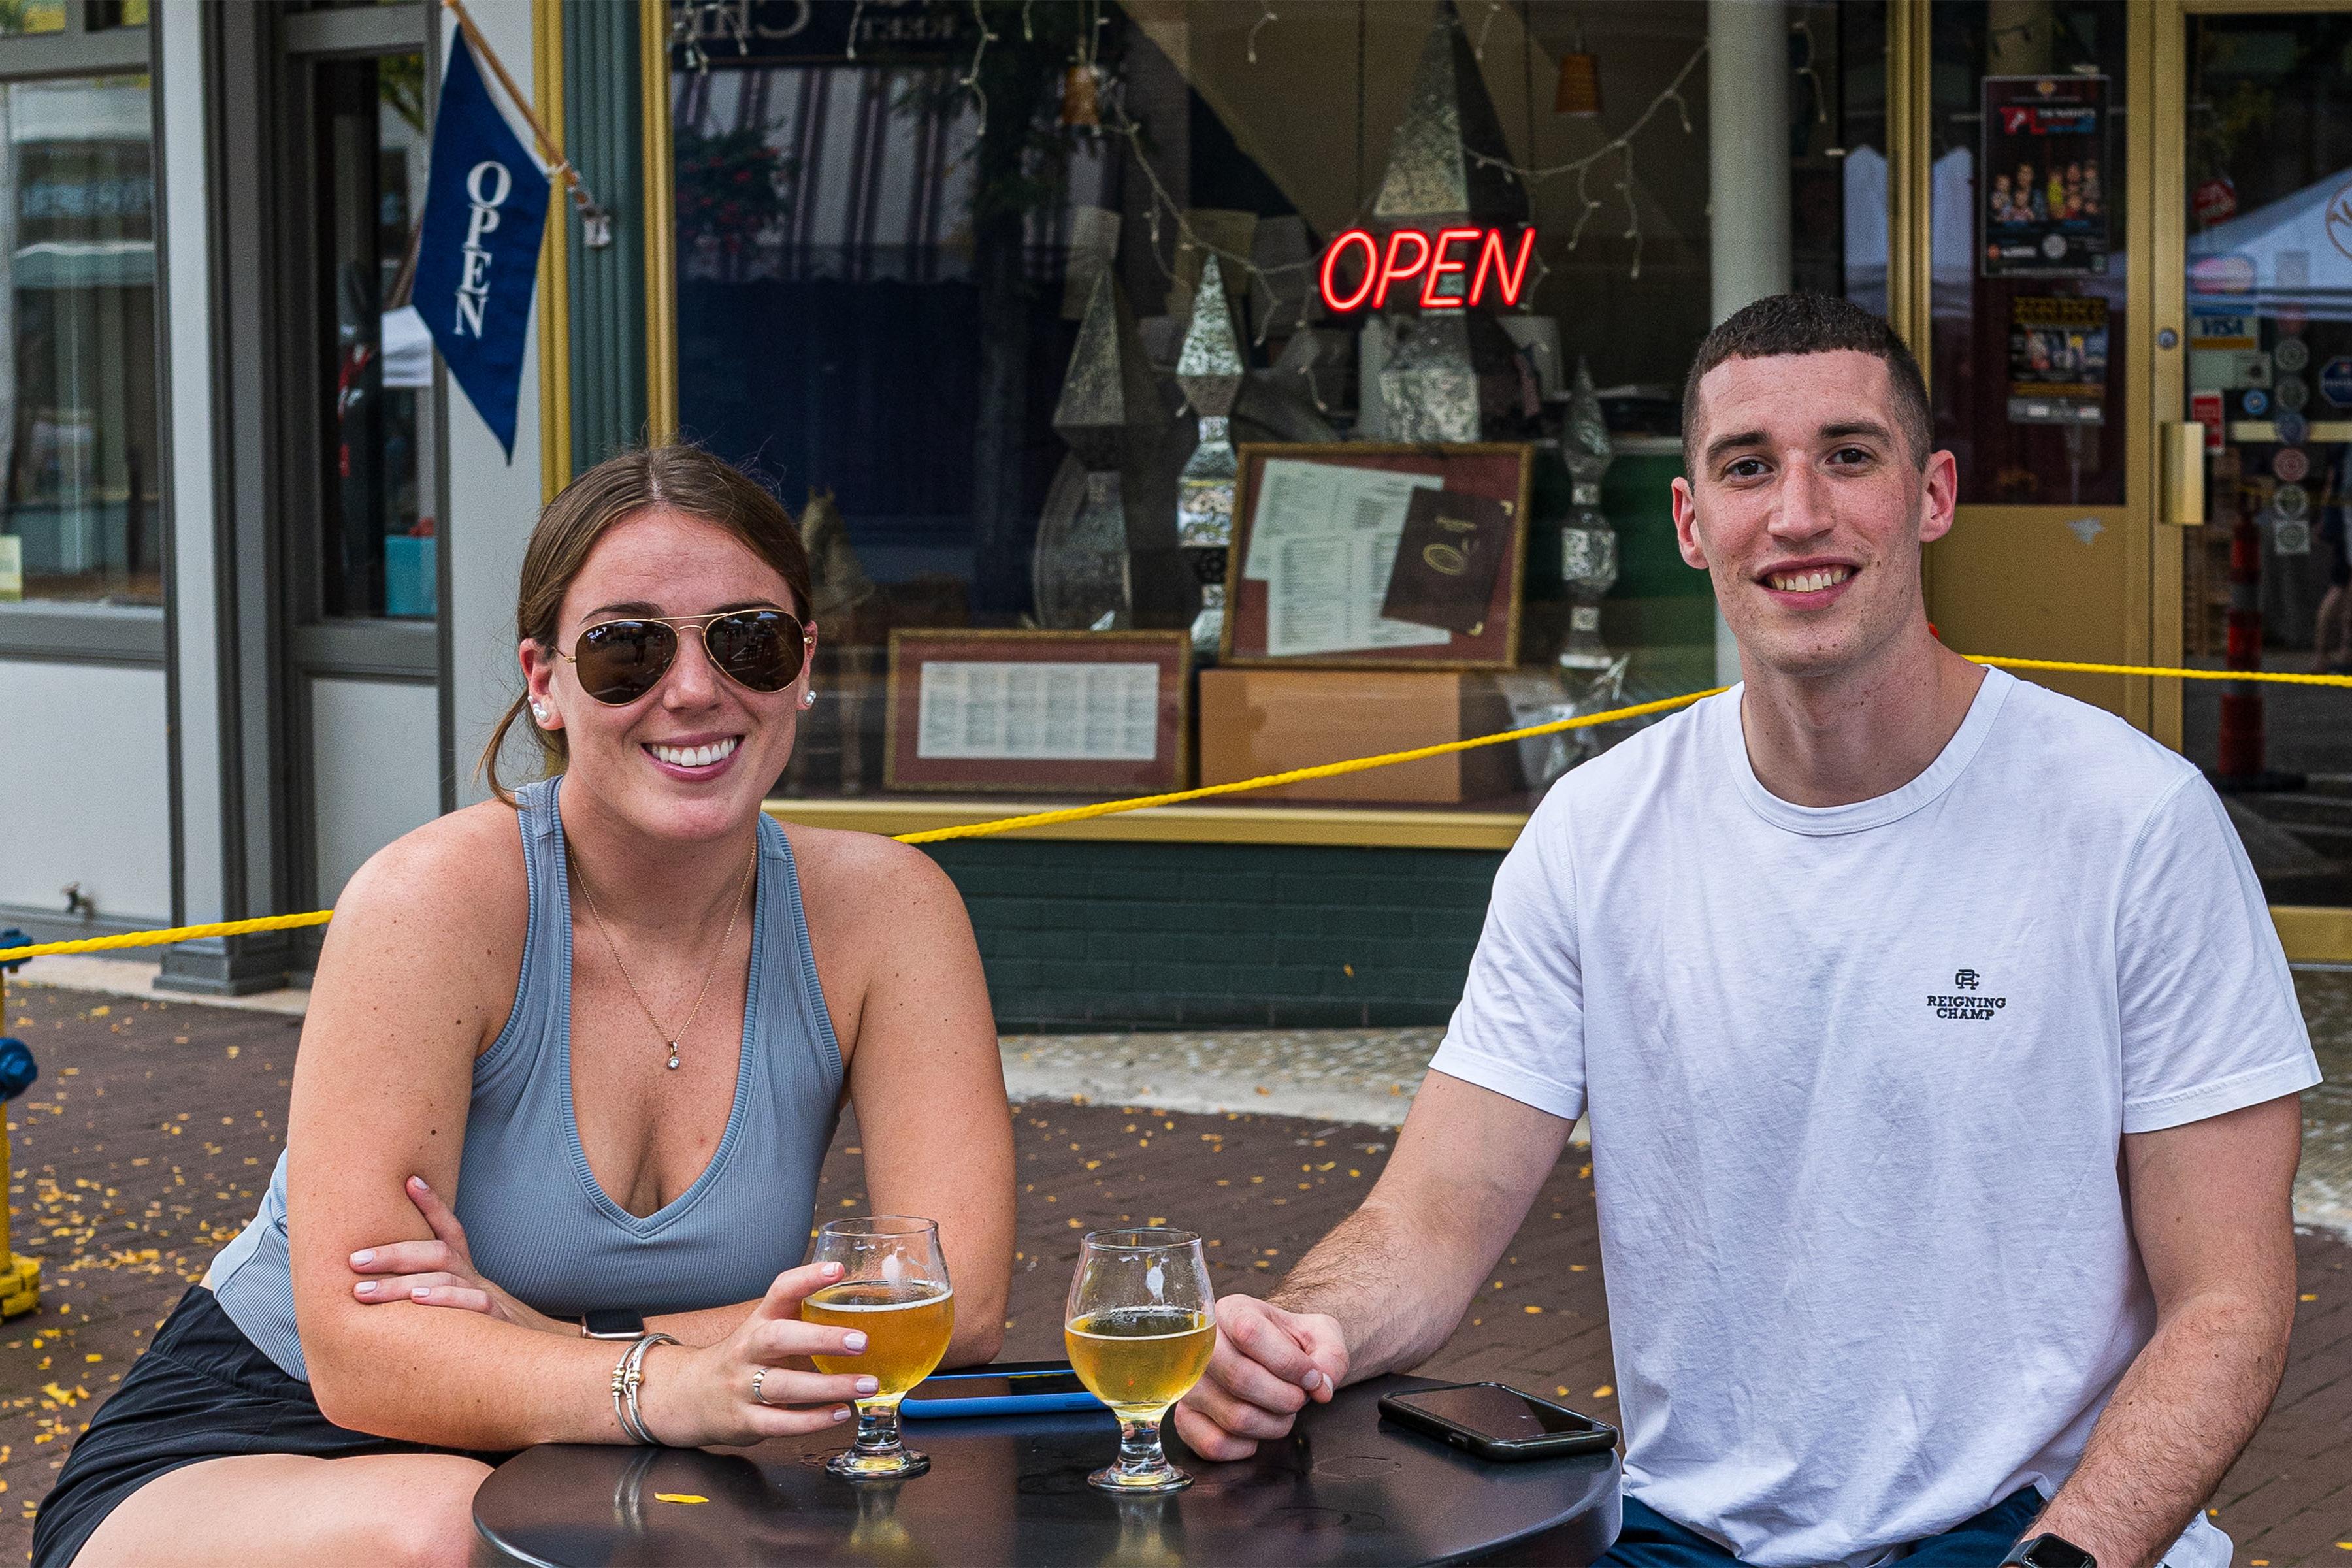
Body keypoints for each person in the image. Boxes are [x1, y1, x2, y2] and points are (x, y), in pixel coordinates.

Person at [1175, 295, 2318, 1568]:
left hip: (2021, 1535)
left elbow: (2230, 1304)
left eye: (1848, 455)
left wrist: (2057, 1564)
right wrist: (1300, 1334)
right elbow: (1437, 1216)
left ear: (1933, 494)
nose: (1797, 514)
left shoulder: (2134, 826)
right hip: (1690, 1538)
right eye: (1746, 468)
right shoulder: (1596, 833)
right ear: (1691, 522)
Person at [35, 446, 1017, 1568]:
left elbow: (952, 1303)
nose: (693, 689)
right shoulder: (432, 902)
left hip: (600, 1449)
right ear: (543, 682)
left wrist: (551, 1346)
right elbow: (362, 1355)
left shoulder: (890, 911)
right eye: (625, 649)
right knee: (453, 1534)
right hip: (268, 1434)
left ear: (802, 665)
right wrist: (668, 1379)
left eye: (744, 637)